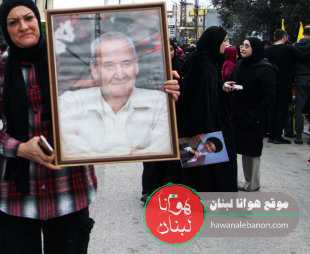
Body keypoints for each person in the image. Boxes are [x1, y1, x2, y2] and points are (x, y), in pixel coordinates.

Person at [0, 0, 96, 253]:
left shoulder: (70, 61)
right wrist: (19, 149)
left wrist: (160, 86)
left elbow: (110, 97)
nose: (23, 26)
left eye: (28, 18)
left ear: (38, 20)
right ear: (5, 29)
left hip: (70, 187)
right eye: (13, 22)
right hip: (18, 195)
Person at [58, 31, 172, 158]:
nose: (120, 75)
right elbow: (66, 150)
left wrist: (90, 148)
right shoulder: (70, 103)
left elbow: (163, 148)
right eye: (109, 65)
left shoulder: (160, 103)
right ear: (94, 70)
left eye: (126, 64)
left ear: (136, 64)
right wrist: (132, 151)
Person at [162, 26, 238, 192]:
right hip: (203, 124)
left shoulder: (199, 58)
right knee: (201, 168)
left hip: (200, 120)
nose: (226, 44)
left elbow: (202, 87)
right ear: (214, 42)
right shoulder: (204, 64)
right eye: (224, 41)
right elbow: (200, 97)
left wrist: (221, 85)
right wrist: (202, 128)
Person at [227, 37, 276, 192]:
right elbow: (232, 80)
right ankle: (235, 180)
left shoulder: (265, 69)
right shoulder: (240, 64)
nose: (242, 48)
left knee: (251, 150)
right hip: (237, 113)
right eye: (242, 45)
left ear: (255, 49)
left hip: (253, 116)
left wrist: (256, 115)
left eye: (247, 46)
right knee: (235, 146)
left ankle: (252, 183)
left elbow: (269, 96)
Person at [292, 26, 310, 144]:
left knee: (299, 105)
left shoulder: (295, 47)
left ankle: (298, 135)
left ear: (303, 33)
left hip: (300, 78)